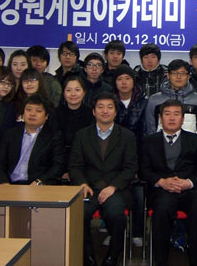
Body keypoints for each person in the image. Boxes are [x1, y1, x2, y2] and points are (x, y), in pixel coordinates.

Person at [69, 92, 137, 266]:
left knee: (117, 215)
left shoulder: (127, 136)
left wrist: (113, 186)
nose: (105, 111)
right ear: (94, 112)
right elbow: (75, 166)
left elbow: (130, 168)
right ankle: (87, 257)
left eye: (109, 107)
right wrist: (82, 183)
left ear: (115, 112)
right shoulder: (82, 135)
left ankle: (112, 257)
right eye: (100, 107)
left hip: (115, 189)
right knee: (78, 214)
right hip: (89, 188)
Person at [140, 100, 197, 266]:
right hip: (162, 191)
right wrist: (161, 182)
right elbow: (143, 170)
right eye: (167, 114)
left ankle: (196, 261)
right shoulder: (148, 141)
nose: (172, 118)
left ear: (183, 119)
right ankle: (160, 261)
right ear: (160, 118)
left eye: (176, 114)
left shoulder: (196, 140)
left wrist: (188, 183)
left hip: (190, 190)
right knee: (162, 209)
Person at [0, 94, 64, 185]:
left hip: (37, 186)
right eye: (28, 109)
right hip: (10, 185)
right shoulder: (10, 134)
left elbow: (58, 166)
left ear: (46, 116)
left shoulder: (54, 137)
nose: (32, 114)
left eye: (38, 111)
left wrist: (39, 182)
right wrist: (4, 183)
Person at [113, 65, 147, 247]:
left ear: (134, 81)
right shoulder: (109, 102)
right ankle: (113, 231)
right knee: (113, 194)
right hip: (113, 157)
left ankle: (137, 232)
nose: (124, 82)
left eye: (128, 78)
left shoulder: (144, 102)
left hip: (138, 156)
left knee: (138, 195)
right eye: (120, 79)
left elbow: (146, 133)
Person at [145, 59, 197, 137]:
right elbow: (150, 128)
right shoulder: (154, 100)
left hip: (191, 143)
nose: (178, 77)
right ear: (168, 75)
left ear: (188, 76)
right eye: (174, 73)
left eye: (182, 73)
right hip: (161, 143)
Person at [55, 75, 93, 182]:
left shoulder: (91, 114)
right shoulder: (55, 113)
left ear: (84, 92)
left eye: (77, 90)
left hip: (83, 166)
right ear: (63, 93)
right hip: (59, 165)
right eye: (68, 90)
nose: (73, 94)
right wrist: (61, 170)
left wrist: (75, 172)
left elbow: (90, 147)